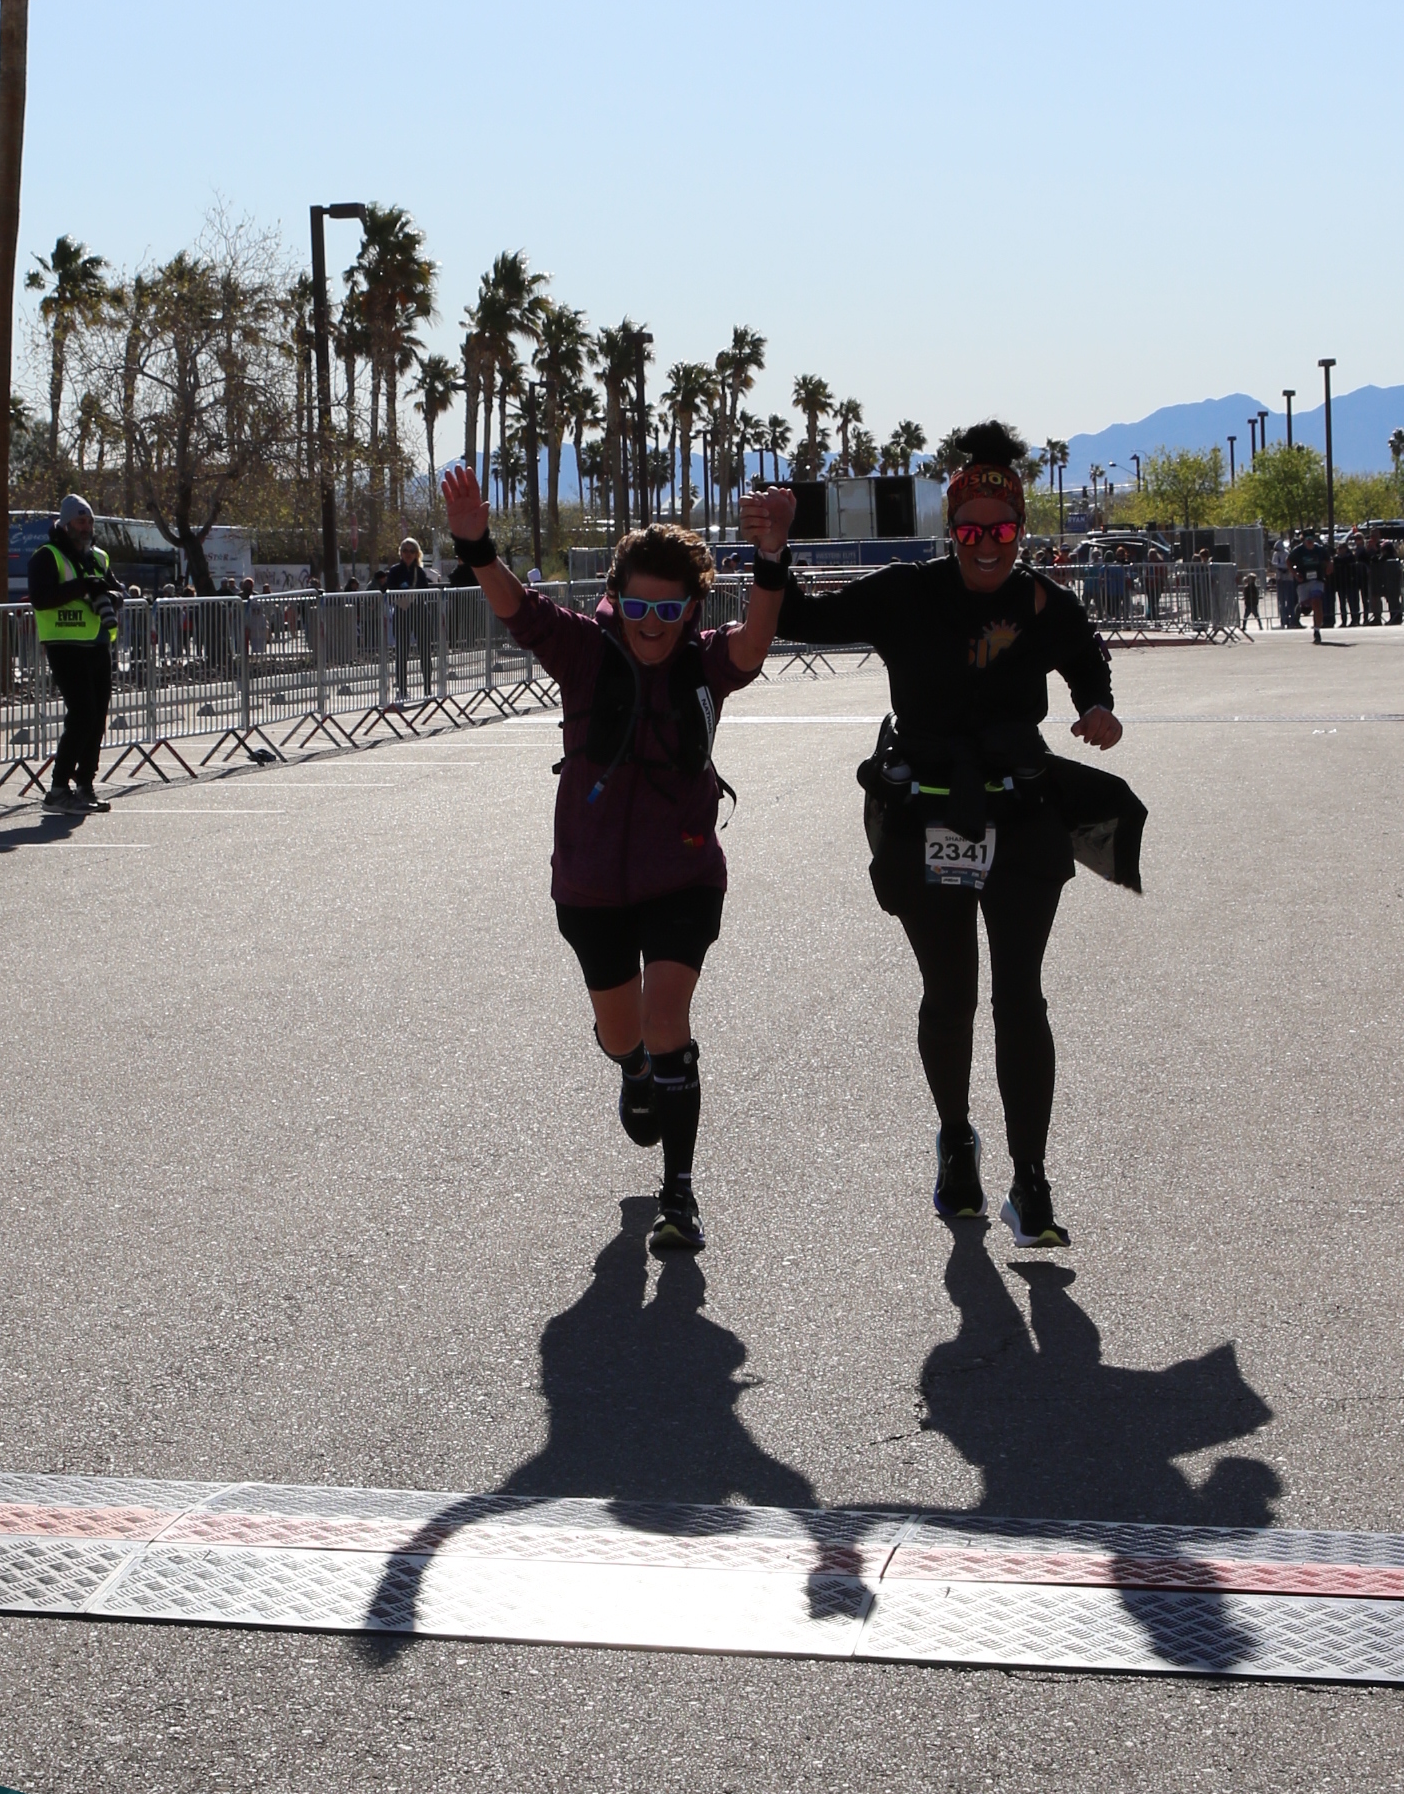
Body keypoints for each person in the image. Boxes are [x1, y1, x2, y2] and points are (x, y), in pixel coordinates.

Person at [774, 423, 1135, 1253]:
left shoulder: (1044, 603)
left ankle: (1031, 1181)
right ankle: (956, 1141)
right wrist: (774, 551)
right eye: (970, 532)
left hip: (1019, 811)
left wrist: (1096, 706)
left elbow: (1085, 655)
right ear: (951, 530)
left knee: (1021, 999)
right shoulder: (905, 592)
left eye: (1001, 530)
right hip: (927, 809)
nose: (987, 545)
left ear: (1021, 528)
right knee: (951, 997)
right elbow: (801, 618)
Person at [439, 460, 790, 1253]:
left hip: (683, 872)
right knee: (623, 1032)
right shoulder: (584, 653)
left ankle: (680, 1195)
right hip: (591, 879)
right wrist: (477, 546)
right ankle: (632, 1070)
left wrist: (772, 558)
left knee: (668, 1021)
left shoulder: (705, 663)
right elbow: (520, 610)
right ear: (615, 599)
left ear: (691, 607)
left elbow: (757, 640)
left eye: (668, 609)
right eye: (637, 606)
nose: (651, 624)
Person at [28, 489, 120, 811]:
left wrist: (113, 596)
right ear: (66, 525)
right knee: (82, 714)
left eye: (89, 522)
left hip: (97, 642)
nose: (86, 528)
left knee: (97, 718)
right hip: (64, 644)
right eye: (80, 522)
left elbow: (115, 587)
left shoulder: (98, 557)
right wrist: (84, 587)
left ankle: (85, 785)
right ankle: (57, 789)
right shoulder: (47, 555)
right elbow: (40, 598)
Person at [376, 531, 435, 707]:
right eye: (405, 550)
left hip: (419, 613)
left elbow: (425, 591)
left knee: (425, 651)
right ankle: (402, 689)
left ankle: (427, 688)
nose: (408, 554)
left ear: (417, 553)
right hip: (402, 613)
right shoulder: (395, 571)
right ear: (400, 553)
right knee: (402, 652)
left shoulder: (420, 572)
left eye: (411, 551)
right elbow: (388, 590)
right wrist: (402, 594)